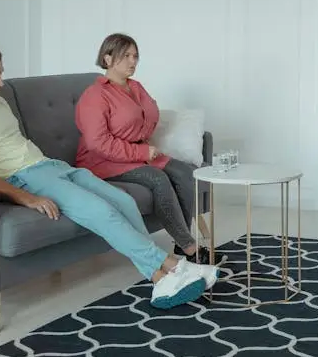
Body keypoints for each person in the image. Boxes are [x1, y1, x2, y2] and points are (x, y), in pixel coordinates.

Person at [0, 42, 218, 310]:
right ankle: (175, 266)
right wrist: (27, 198)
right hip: (25, 178)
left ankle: (160, 279)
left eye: (1, 73)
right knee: (100, 210)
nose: (1, 81)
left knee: (122, 202)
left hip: (50, 166)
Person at [74, 33, 223, 265]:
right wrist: (141, 152)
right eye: (126, 56)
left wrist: (141, 144)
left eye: (135, 56)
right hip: (102, 161)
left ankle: (182, 245)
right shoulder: (95, 96)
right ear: (108, 58)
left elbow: (149, 117)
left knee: (185, 173)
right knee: (158, 178)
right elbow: (98, 143)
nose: (133, 62)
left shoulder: (136, 87)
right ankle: (190, 248)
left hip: (139, 153)